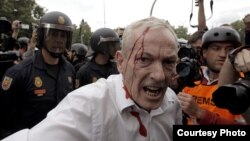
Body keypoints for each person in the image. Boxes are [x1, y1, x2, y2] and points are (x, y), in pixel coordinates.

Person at [1, 16, 183, 141]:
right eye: (144, 59)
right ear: (120, 61)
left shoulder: (172, 102)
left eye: (169, 62)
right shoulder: (88, 106)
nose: (159, 76)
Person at [0, 11, 75, 139]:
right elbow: (3, 123)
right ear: (41, 36)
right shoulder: (18, 73)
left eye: (63, 35)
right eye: (53, 34)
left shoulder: (70, 70)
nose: (59, 40)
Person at [177, 26, 246, 125]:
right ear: (204, 53)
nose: (223, 54)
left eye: (229, 49)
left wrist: (200, 113)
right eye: (216, 48)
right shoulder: (193, 78)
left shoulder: (244, 84)